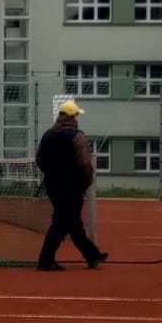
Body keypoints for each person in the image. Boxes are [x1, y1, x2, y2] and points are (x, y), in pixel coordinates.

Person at [35, 101, 107, 271]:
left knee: (73, 222)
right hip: (72, 188)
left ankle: (92, 256)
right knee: (61, 222)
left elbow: (39, 159)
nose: (78, 118)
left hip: (53, 186)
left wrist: (51, 174)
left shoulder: (47, 135)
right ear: (72, 116)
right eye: (77, 115)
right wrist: (85, 183)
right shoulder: (77, 136)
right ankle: (45, 260)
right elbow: (85, 164)